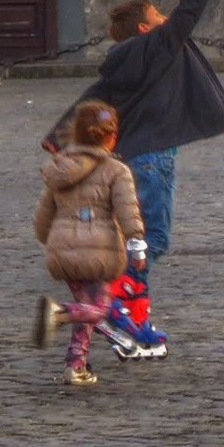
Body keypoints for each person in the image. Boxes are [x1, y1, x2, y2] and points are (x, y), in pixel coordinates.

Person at [44, 0, 224, 356]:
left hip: (130, 158)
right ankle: (114, 304)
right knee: (152, 240)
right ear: (145, 29)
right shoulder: (158, 47)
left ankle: (135, 317)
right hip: (153, 160)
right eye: (159, 16)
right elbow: (190, 9)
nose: (168, 20)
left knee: (134, 241)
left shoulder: (123, 61)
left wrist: (58, 137)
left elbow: (96, 99)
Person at [32, 101, 145, 386]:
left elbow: (43, 214)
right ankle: (59, 313)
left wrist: (50, 240)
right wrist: (136, 245)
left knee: (87, 307)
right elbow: (127, 211)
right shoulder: (116, 171)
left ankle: (76, 365)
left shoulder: (60, 167)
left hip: (64, 250)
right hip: (99, 251)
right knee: (100, 309)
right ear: (113, 137)